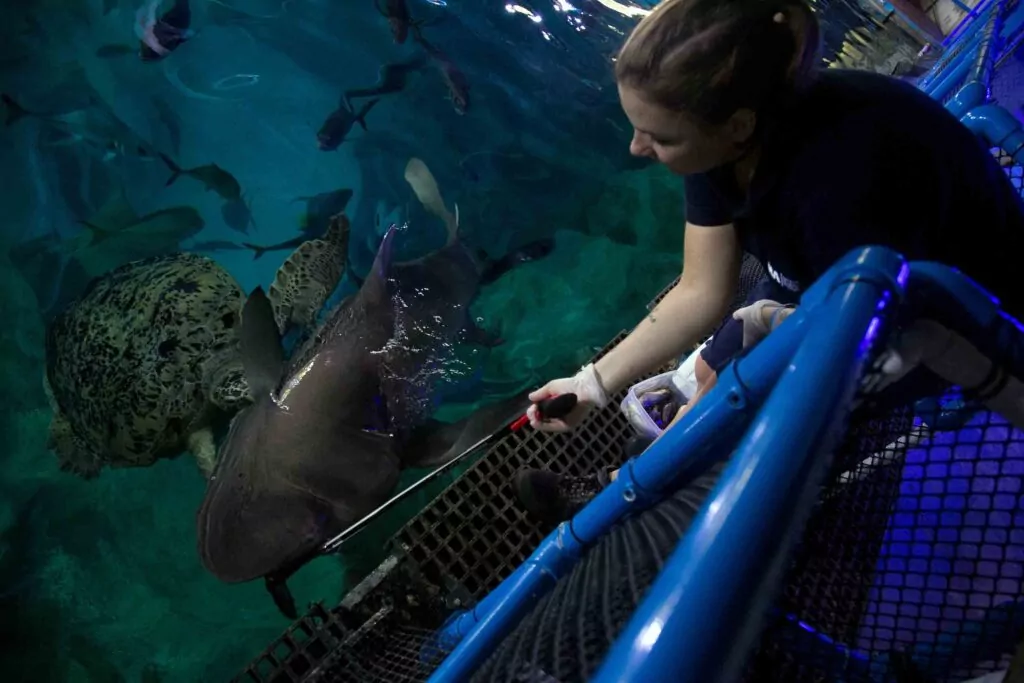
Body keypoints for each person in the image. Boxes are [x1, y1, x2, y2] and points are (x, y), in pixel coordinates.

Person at [513, 0, 1024, 524]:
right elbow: (701, 290)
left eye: (659, 137)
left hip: (947, 319)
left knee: (728, 418)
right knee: (708, 372)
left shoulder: (839, 179)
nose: (637, 147)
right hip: (824, 282)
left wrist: (736, 388)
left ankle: (633, 500)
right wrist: (591, 384)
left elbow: (863, 333)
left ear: (738, 126)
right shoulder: (720, 135)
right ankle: (635, 477)